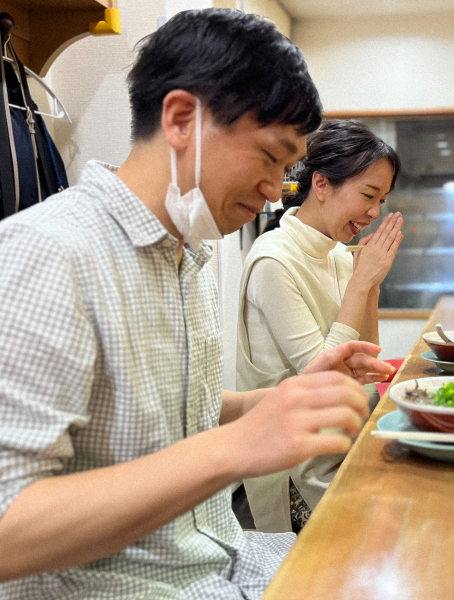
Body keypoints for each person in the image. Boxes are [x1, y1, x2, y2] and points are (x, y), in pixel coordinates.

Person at [0, 9, 395, 598]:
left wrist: (279, 402)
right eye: (270, 157)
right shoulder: (49, 252)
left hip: (223, 557)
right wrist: (237, 447)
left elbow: (181, 409)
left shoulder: (188, 256)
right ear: (182, 119)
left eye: (288, 168)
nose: (275, 190)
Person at [237, 120, 403, 533]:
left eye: (381, 200)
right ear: (322, 184)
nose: (374, 212)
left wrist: (371, 288)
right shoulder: (273, 260)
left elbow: (366, 371)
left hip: (342, 445)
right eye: (368, 195)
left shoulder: (338, 255)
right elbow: (323, 377)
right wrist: (361, 283)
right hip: (295, 469)